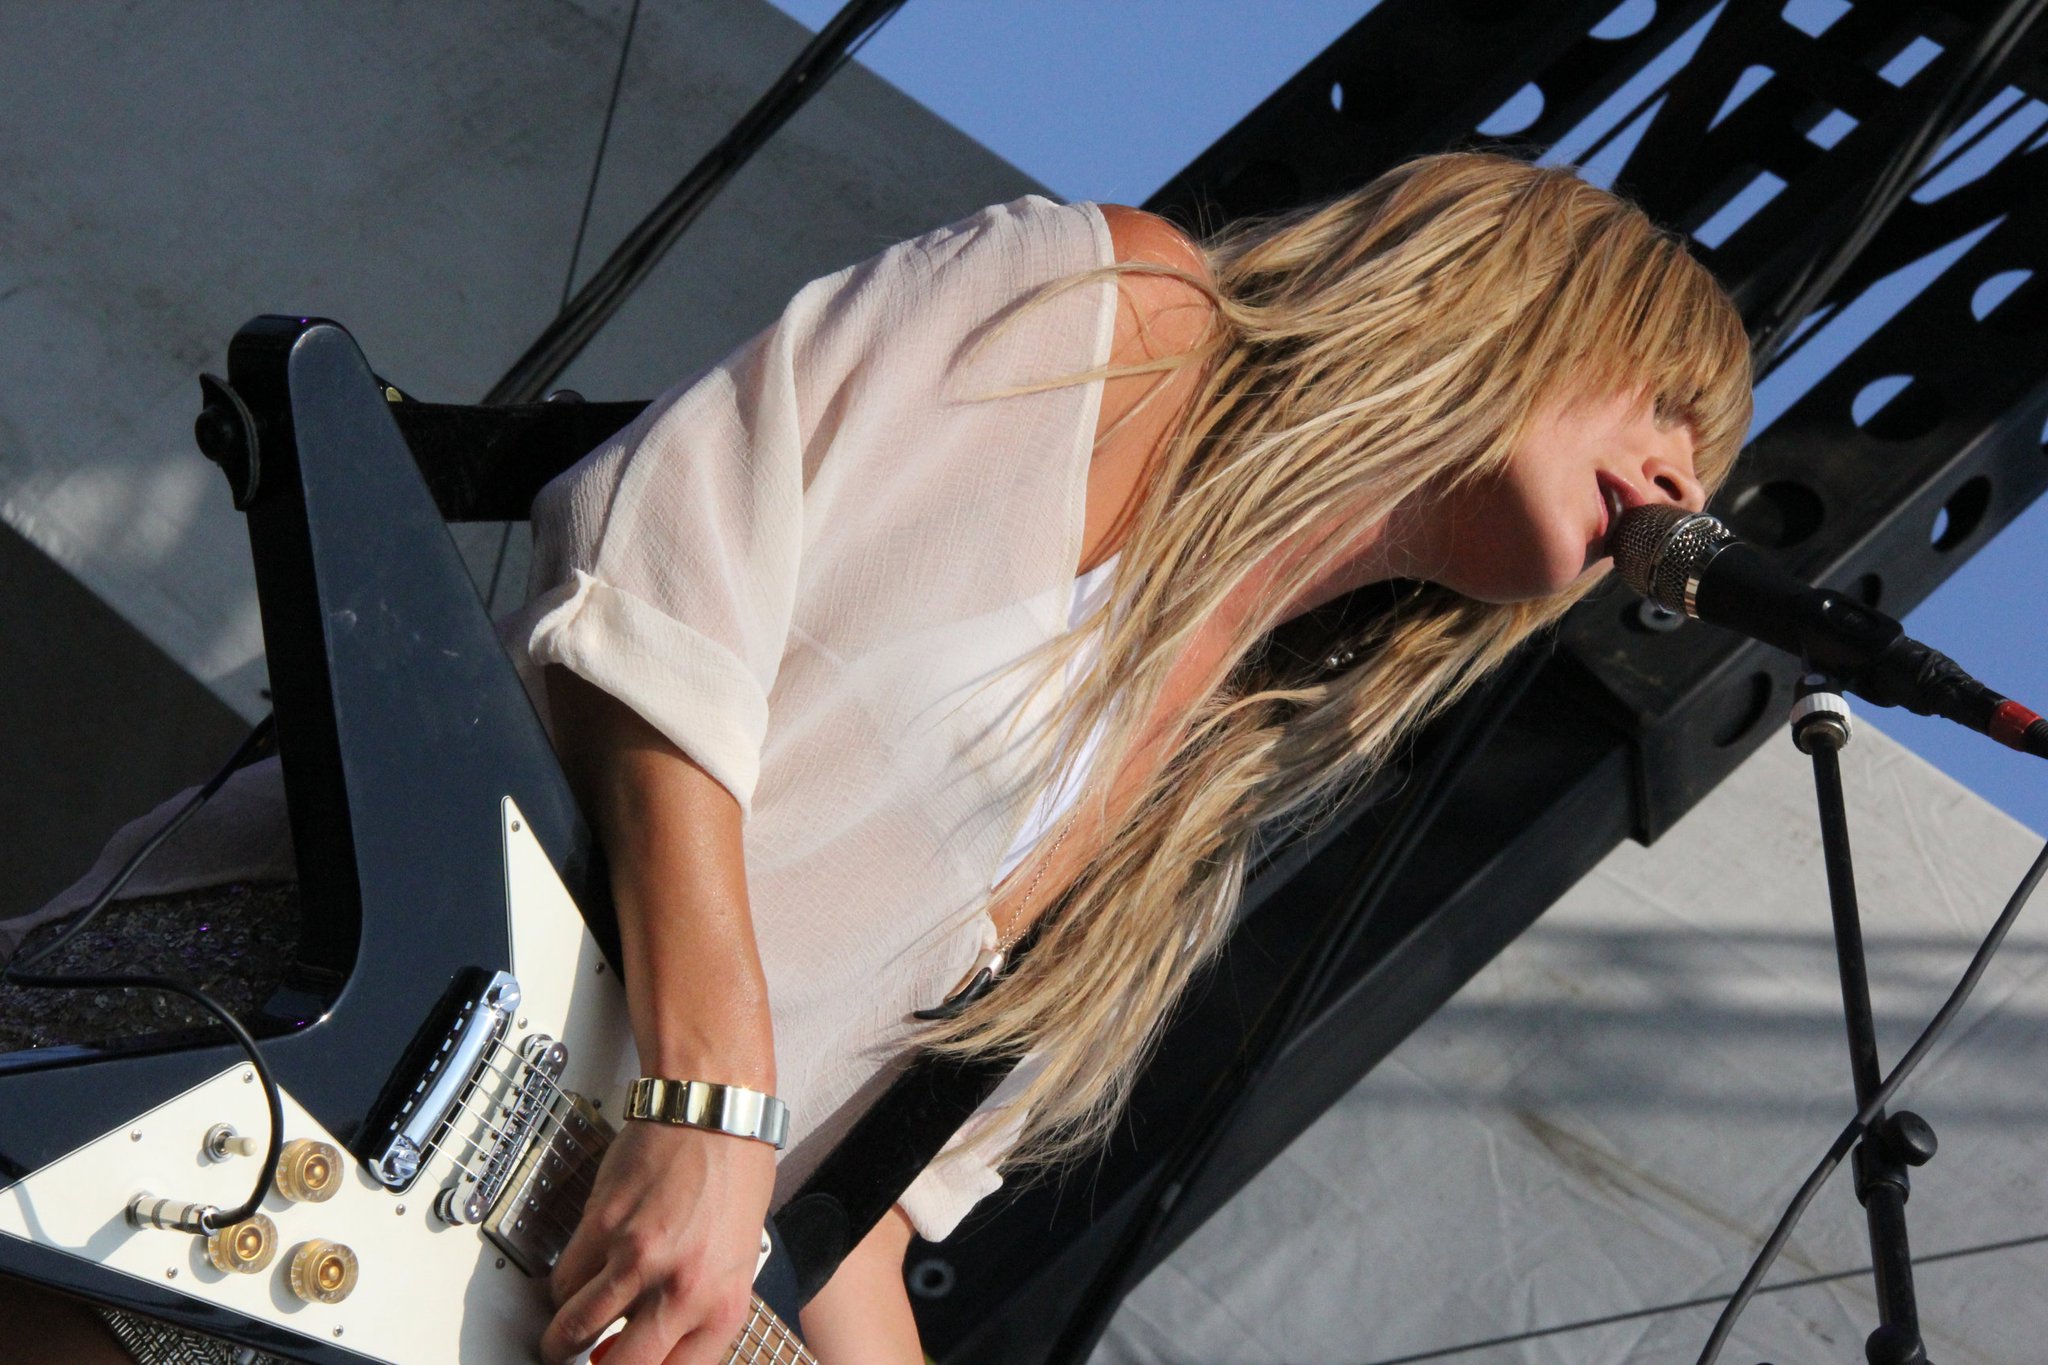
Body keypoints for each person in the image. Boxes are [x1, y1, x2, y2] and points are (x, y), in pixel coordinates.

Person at [0, 149, 1751, 1364]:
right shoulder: (1113, 316)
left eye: (1715, 473)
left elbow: (859, 1216)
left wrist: (735, 1162)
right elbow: (653, 591)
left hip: (469, 1283)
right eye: (1669, 404)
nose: (1689, 488)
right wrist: (707, 1094)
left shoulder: (1212, 785)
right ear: (1526, 293)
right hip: (293, 1038)